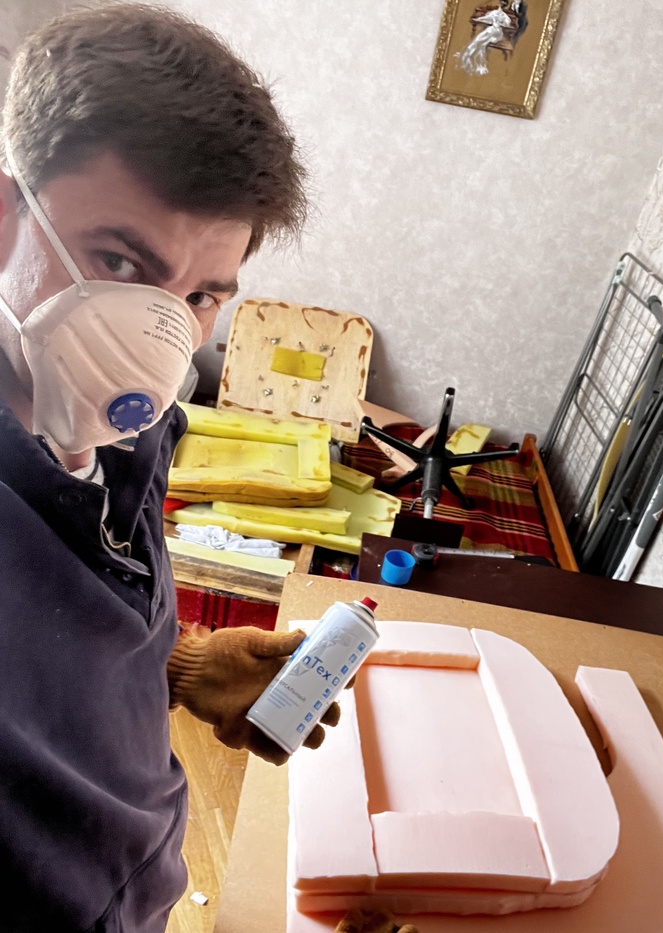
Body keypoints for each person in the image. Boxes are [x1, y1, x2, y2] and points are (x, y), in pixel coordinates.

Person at [0, 4, 340, 930]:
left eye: (198, 297)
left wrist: (177, 666)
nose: (154, 343)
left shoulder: (131, 436)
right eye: (119, 262)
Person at [454, 0, 513, 77]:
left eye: (503, 4)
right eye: (501, 3)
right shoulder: (494, 12)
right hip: (491, 30)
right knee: (478, 41)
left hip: (497, 32)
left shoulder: (504, 16)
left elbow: (507, 25)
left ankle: (477, 62)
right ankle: (470, 58)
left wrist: (500, 24)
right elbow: (486, 19)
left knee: (481, 42)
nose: (502, 5)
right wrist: (477, 20)